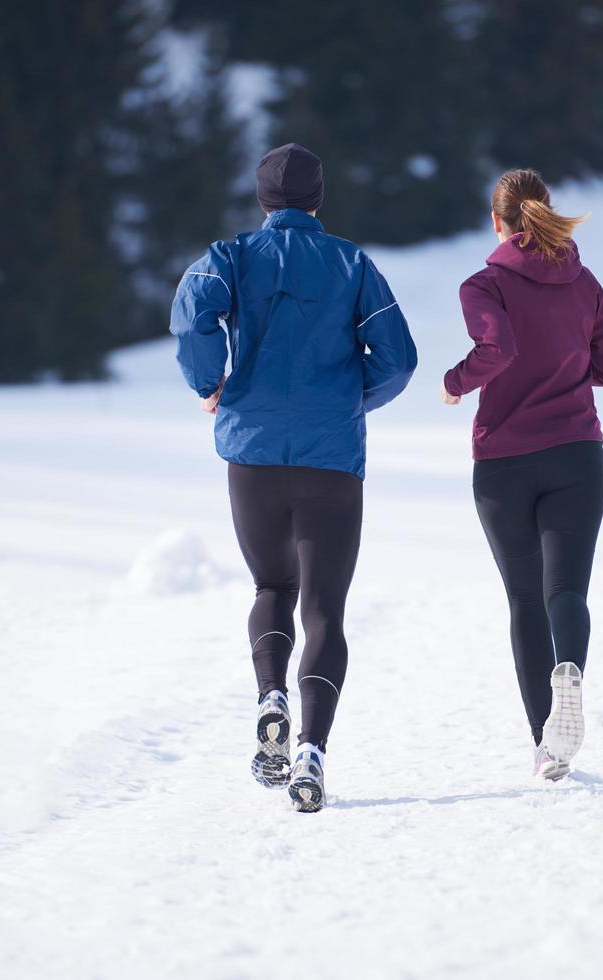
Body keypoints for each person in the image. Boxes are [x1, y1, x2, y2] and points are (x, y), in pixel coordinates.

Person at [170, 143, 417, 812]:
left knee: (271, 586)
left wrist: (208, 380)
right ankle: (310, 752)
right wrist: (345, 402)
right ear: (316, 198)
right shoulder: (350, 262)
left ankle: (269, 696)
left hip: (250, 452)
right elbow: (397, 359)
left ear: (262, 200)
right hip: (330, 458)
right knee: (326, 610)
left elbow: (194, 312)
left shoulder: (229, 257)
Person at [440, 168, 603, 781]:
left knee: (524, 602)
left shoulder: (483, 284)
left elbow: (498, 352)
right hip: (577, 453)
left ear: (498, 222)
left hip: (504, 465)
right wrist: (566, 373)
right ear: (544, 212)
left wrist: (455, 381)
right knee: (564, 592)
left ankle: (546, 745)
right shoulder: (584, 280)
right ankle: (569, 668)